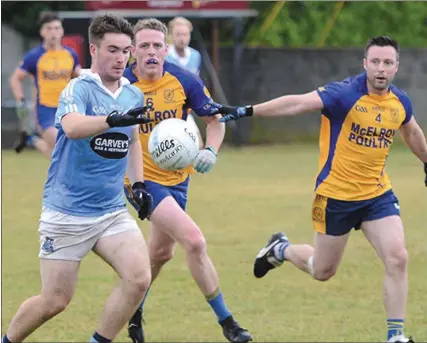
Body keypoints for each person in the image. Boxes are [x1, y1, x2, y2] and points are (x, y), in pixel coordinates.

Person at [212, 36, 427, 343]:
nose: (381, 68)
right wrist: (247, 111)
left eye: (387, 63)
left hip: (377, 195)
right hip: (336, 196)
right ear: (365, 64)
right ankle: (281, 249)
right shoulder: (343, 94)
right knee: (322, 270)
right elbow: (298, 102)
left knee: (398, 258)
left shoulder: (399, 102)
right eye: (375, 62)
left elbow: (413, 131)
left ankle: (395, 336)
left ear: (396, 67)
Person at [2, 13, 154, 343]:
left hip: (111, 212)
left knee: (139, 278)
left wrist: (138, 185)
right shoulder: (78, 88)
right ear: (94, 50)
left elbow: (131, 142)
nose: (121, 58)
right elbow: (71, 127)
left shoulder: (133, 94)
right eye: (113, 50)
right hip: (67, 212)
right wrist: (112, 119)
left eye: (126, 51)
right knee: (55, 301)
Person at [123, 18, 252, 343]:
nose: (151, 52)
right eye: (144, 46)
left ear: (166, 49)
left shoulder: (185, 80)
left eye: (157, 46)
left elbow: (215, 120)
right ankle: (228, 323)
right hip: (141, 180)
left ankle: (132, 310)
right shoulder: (121, 85)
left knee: (161, 254)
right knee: (193, 240)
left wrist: (211, 149)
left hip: (178, 178)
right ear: (132, 51)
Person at [9, 11, 81, 159]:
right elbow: (15, 79)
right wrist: (20, 100)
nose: (53, 32)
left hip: (67, 108)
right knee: (60, 144)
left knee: (60, 153)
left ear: (62, 31)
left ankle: (31, 139)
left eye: (56, 28)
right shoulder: (34, 56)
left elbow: (79, 77)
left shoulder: (71, 54)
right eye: (49, 28)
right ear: (42, 32)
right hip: (45, 110)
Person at [166, 16, 204, 149]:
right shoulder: (164, 56)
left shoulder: (195, 56)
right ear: (171, 35)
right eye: (178, 34)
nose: (182, 38)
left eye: (185, 34)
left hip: (186, 109)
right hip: (167, 107)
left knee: (198, 145)